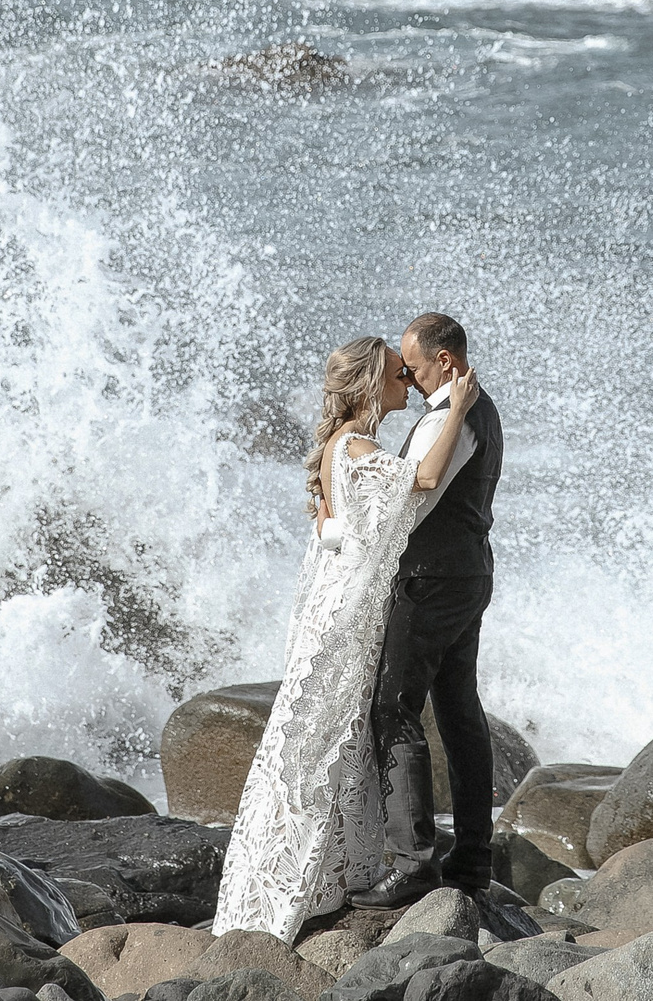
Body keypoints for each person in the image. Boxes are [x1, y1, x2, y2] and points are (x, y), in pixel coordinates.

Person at [209, 330, 483, 941]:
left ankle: (327, 872)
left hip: (340, 602)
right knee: (326, 737)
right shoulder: (357, 445)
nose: (407, 382)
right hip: (351, 611)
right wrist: (458, 408)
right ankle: (293, 882)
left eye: (409, 371)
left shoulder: (341, 445)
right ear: (368, 385)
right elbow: (424, 479)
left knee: (332, 737)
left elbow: (333, 529)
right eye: (397, 373)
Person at [347, 311, 503, 908]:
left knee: (394, 707)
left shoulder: (448, 417)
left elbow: (410, 503)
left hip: (432, 580)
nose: (408, 381)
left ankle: (412, 862)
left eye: (412, 368)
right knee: (459, 711)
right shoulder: (481, 410)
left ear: (444, 360)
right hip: (466, 573)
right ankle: (471, 860)